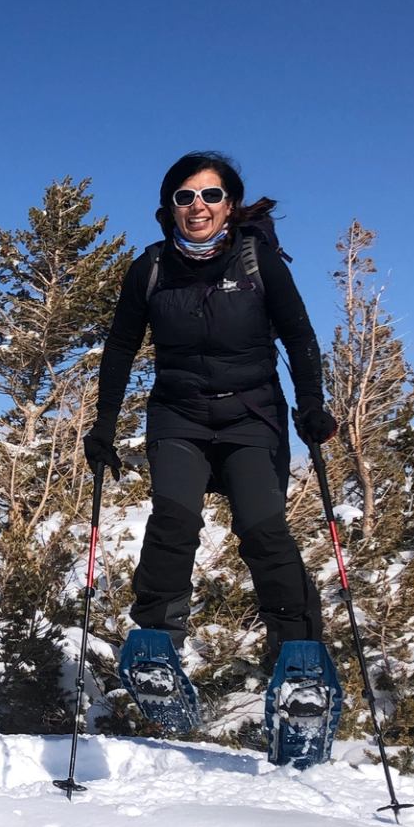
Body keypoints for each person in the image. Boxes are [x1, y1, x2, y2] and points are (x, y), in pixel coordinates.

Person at [82, 151, 336, 698]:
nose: (198, 205)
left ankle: (299, 662)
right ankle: (156, 647)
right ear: (169, 207)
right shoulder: (149, 268)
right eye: (185, 196)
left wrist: (311, 403)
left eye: (211, 195)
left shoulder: (257, 261)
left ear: (230, 205)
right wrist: (103, 422)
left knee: (263, 529)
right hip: (179, 414)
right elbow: (121, 347)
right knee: (173, 521)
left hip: (251, 415)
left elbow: (299, 334)